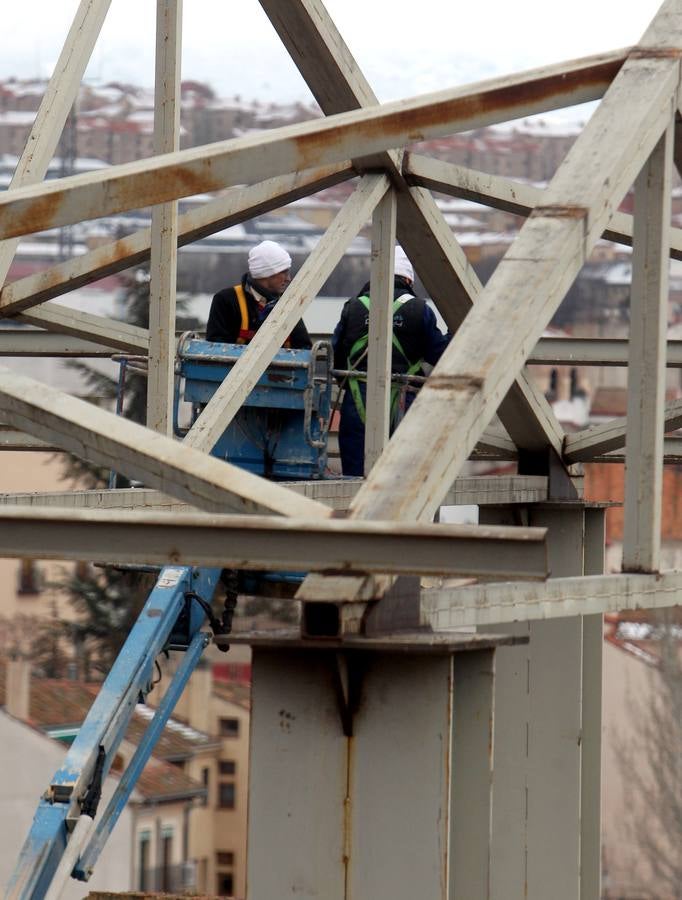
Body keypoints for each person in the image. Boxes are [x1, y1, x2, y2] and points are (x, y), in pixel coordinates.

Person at [332, 246, 450, 476]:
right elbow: (440, 354)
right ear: (407, 278)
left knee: (354, 480)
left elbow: (336, 357)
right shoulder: (419, 310)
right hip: (406, 403)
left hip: (357, 402)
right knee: (400, 481)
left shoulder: (353, 308)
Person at [206, 239, 311, 348]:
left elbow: (304, 348)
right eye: (284, 272)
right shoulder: (226, 300)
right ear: (266, 273)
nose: (288, 279)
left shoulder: (288, 303)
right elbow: (215, 349)